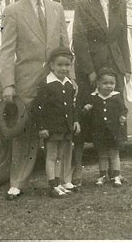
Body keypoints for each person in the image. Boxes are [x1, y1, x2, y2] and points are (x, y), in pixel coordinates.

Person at [0, 0, 69, 200]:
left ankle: (61, 179)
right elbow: (6, 51)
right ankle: (17, 182)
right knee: (25, 132)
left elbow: (64, 47)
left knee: (60, 127)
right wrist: (8, 84)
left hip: (54, 80)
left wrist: (70, 78)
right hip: (27, 80)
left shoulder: (57, 8)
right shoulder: (13, 11)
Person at [72, 0, 131, 186]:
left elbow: (123, 37)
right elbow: (79, 39)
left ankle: (114, 172)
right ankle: (77, 172)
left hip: (114, 69)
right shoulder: (83, 5)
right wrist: (89, 71)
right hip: (92, 69)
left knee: (115, 116)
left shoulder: (119, 4)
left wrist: (125, 68)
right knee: (85, 116)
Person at [32, 47, 81, 198]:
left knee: (60, 155)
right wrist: (41, 127)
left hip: (65, 127)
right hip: (51, 128)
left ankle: (59, 183)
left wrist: (76, 121)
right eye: (60, 65)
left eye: (67, 65)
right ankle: (52, 185)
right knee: (52, 156)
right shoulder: (46, 84)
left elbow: (72, 106)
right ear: (52, 65)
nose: (63, 68)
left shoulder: (69, 85)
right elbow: (37, 107)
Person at [81, 68, 128, 185]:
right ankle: (103, 175)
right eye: (105, 83)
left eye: (112, 83)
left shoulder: (116, 97)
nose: (109, 86)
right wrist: (86, 109)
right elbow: (88, 112)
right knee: (102, 154)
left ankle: (116, 175)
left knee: (114, 153)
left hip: (114, 131)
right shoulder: (94, 97)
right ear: (98, 84)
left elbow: (123, 109)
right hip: (99, 131)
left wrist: (122, 116)